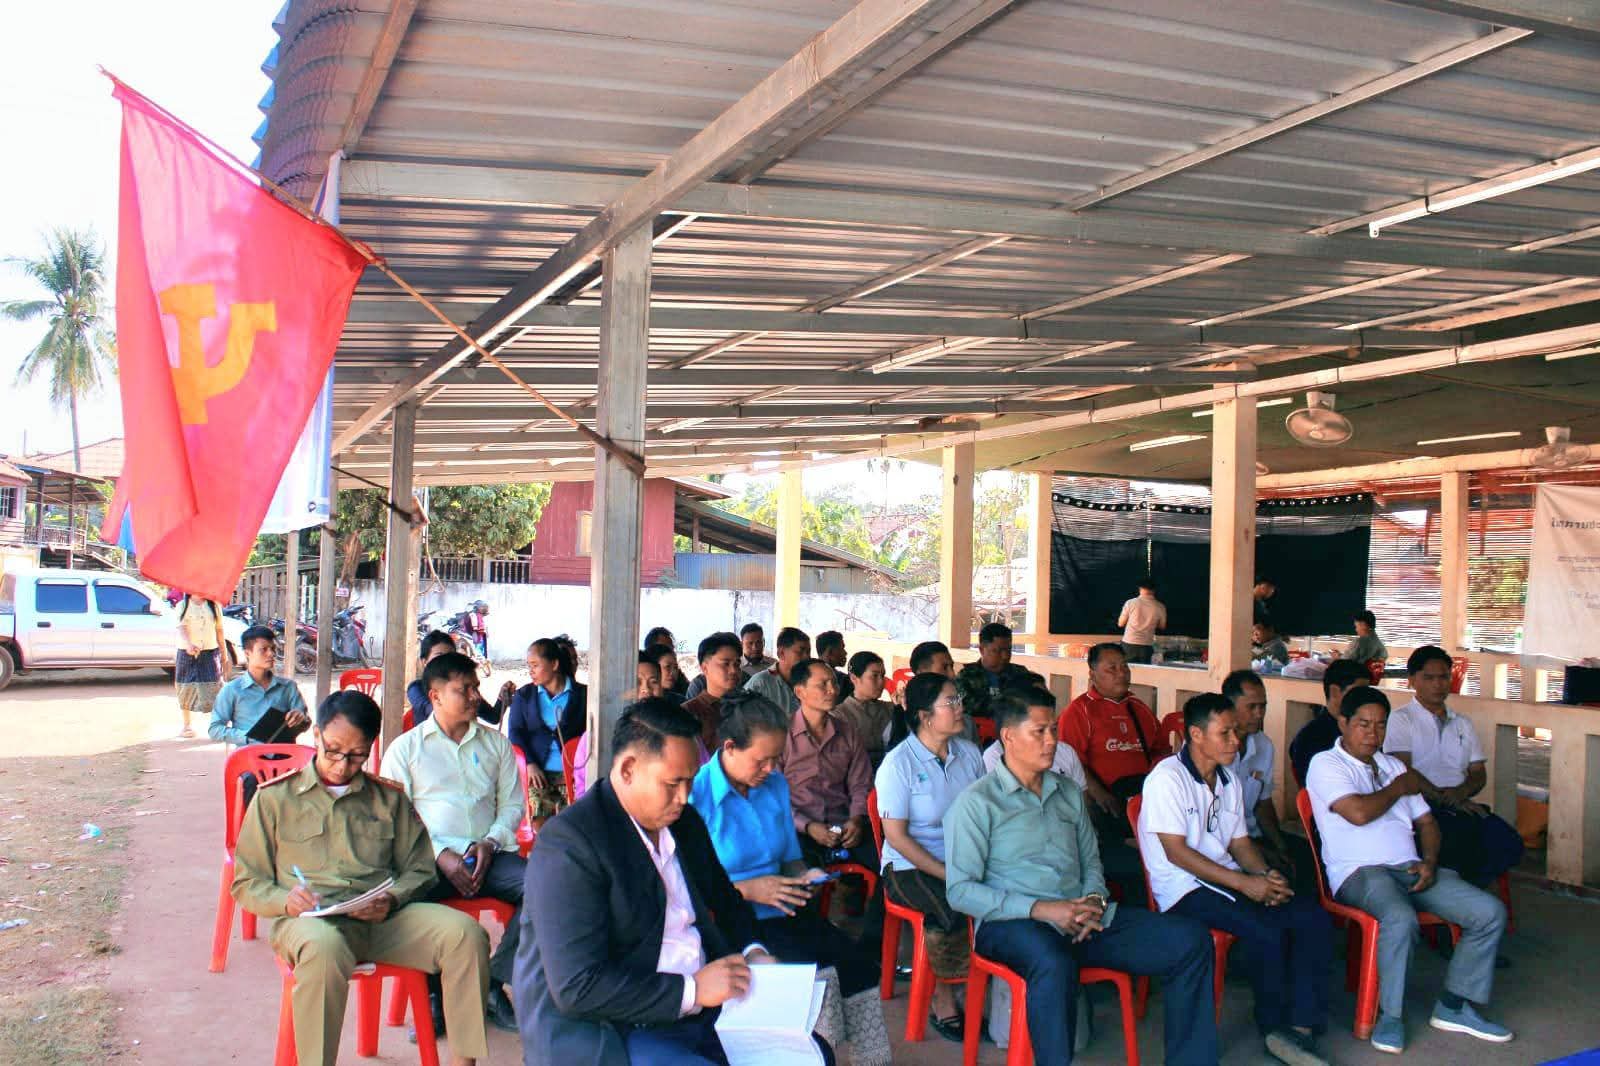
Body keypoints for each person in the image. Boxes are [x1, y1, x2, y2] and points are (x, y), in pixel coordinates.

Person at [515, 698, 833, 1065]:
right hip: (617, 1024)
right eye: (672, 783)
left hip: (703, 1003)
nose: (683, 796)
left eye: (690, 780)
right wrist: (692, 989)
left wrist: (753, 953)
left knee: (812, 1055)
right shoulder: (570, 844)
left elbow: (726, 901)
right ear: (629, 769)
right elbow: (577, 986)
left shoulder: (684, 822)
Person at [945, 695, 1218, 1065]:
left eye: (1053, 730)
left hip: (1083, 918)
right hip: (1012, 924)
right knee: (1052, 962)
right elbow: (960, 891)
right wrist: (1044, 910)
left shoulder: (1068, 792)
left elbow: (1091, 861)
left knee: (1190, 940)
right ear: (1008, 737)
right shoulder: (977, 802)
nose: (1051, 741)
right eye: (1039, 732)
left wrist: (1094, 901)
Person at [232, 690, 491, 1066]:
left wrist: (392, 898)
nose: (341, 765)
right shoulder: (275, 799)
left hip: (382, 920)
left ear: (370, 748)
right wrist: (284, 900)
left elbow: (420, 869)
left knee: (465, 936)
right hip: (309, 923)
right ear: (317, 735)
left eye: (356, 755)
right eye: (333, 750)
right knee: (324, 950)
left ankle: (464, 1062)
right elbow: (245, 881)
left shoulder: (388, 799)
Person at [1306, 685, 1512, 1055]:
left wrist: (1430, 862)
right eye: (1363, 724)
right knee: (1400, 918)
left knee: (1488, 912)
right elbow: (1358, 813)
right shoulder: (1326, 764)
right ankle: (1390, 1016)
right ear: (1343, 723)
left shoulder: (1392, 766)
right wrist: (1399, 787)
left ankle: (1453, 1006)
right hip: (1359, 873)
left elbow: (1427, 823)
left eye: (1380, 725)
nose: (1373, 734)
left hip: (1409, 868)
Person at [690, 691, 891, 1065]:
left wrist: (805, 876)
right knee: (817, 979)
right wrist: (750, 890)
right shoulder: (696, 797)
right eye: (761, 760)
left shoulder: (775, 786)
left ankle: (871, 1060)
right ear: (729, 747)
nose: (770, 769)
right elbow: (687, 890)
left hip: (783, 911)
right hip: (727, 922)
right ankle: (813, 1057)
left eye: (776, 758)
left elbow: (790, 860)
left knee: (858, 965)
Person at [1138, 693, 1333, 1066]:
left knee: (1310, 916)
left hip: (1225, 877)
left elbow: (1240, 844)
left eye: (1236, 733)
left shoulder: (1229, 779)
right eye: (1225, 733)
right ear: (1196, 734)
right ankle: (1274, 1028)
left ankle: (1303, 1023)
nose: (1235, 742)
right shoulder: (1167, 778)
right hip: (1184, 887)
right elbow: (1176, 853)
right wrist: (1245, 884)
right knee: (1266, 928)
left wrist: (1264, 876)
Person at [381, 653, 524, 1036]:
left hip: (489, 855)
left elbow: (513, 806)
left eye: (476, 687)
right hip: (427, 859)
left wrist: (490, 842)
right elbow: (397, 818)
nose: (476, 696)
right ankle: (432, 993)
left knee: (545, 888)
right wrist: (440, 855)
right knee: (405, 896)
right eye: (465, 689)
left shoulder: (496, 745)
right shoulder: (405, 750)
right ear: (436, 696)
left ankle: (492, 982)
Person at [874, 672, 985, 1040]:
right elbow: (897, 837)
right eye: (950, 702)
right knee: (950, 904)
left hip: (963, 858)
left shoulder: (969, 754)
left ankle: (984, 982)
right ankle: (944, 997)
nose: (960, 707)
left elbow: (984, 814)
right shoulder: (898, 764)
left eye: (959, 699)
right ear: (924, 716)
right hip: (909, 865)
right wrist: (947, 872)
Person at [1385, 647, 1524, 888]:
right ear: (1412, 680)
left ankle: (1469, 891)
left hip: (1458, 802)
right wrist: (1444, 798)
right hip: (1420, 805)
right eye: (1429, 678)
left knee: (1510, 843)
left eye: (1444, 677)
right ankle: (1457, 895)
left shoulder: (1462, 723)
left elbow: (1478, 773)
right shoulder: (1401, 718)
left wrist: (1460, 793)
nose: (1438, 684)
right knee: (1459, 843)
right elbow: (1403, 768)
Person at [1058, 643, 1170, 881]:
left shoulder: (1139, 709)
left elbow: (1160, 752)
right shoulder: (1079, 712)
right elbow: (1072, 763)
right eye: (1112, 668)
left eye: (1124, 667)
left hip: (1145, 799)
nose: (1121, 673)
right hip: (1106, 804)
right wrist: (1100, 795)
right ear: (1092, 674)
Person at [1222, 669, 1316, 890]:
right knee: (1277, 874)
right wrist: (1265, 853)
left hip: (1254, 834)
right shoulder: (1211, 747)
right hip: (1224, 842)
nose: (1259, 714)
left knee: (1307, 857)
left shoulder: (1263, 745)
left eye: (1263, 706)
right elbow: (1216, 825)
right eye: (1251, 707)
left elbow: (1263, 804)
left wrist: (1280, 845)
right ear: (1229, 707)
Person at [783, 658, 875, 875]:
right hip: (797, 829)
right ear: (800, 692)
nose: (832, 690)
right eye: (822, 684)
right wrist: (807, 826)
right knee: (806, 879)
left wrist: (856, 819)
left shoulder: (848, 732)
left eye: (833, 682)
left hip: (843, 826)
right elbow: (771, 797)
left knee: (885, 866)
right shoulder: (781, 735)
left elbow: (861, 784)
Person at [507, 636, 586, 822]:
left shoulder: (583, 694)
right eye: (529, 666)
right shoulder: (524, 696)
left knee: (574, 825)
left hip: (574, 775)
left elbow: (589, 736)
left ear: (554, 664)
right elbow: (515, 732)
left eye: (535, 665)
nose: (531, 671)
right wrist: (530, 764)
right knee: (538, 823)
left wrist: (578, 772)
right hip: (538, 775)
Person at [210, 624, 310, 747]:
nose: (271, 654)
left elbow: (306, 723)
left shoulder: (288, 687)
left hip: (283, 755)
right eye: (263, 649)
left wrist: (300, 719)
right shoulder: (232, 690)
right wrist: (248, 737)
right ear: (247, 653)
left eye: (273, 648)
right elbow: (215, 730)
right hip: (248, 756)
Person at [1290, 658, 1368, 788]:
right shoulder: (1311, 739)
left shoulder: (1366, 731)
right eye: (1359, 693)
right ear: (1335, 692)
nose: (1365, 700)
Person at [407, 630, 509, 727]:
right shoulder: (416, 688)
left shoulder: (467, 689)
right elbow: (431, 710)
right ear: (424, 661)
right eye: (439, 656)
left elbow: (493, 717)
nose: (446, 662)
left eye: (450, 657)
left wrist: (502, 699)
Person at [955, 622, 1045, 722]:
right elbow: (968, 707)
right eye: (998, 651)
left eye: (1008, 650)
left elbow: (1035, 703)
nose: (1005, 656)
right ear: (982, 650)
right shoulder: (966, 676)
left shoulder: (1020, 673)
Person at [175, 593, 228, 739]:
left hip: (210, 651)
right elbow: (181, 628)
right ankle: (187, 726)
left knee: (214, 688)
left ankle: (217, 725)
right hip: (187, 652)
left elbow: (219, 630)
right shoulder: (182, 605)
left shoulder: (214, 605)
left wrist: (224, 652)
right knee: (185, 688)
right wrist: (189, 644)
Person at [682, 631, 744, 754]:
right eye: (725, 664)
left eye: (737, 664)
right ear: (704, 668)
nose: (733, 670)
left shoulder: (748, 706)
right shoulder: (688, 713)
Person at [834, 650, 894, 770]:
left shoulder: (891, 709)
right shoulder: (839, 715)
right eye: (874, 676)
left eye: (882, 676)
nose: (881, 682)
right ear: (854, 678)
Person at [743, 626, 810, 714]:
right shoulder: (760, 683)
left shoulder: (810, 681)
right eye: (800, 652)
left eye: (808, 652)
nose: (807, 657)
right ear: (781, 653)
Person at [1118, 579, 1167, 665]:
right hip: (1147, 646)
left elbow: (1120, 624)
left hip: (1129, 644)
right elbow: (1162, 626)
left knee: (1127, 670)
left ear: (1140, 588)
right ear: (1154, 590)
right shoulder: (1160, 607)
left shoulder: (1130, 603)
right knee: (1144, 671)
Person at [816, 630, 852, 696]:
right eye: (842, 648)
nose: (845, 653)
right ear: (830, 651)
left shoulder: (806, 676)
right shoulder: (843, 681)